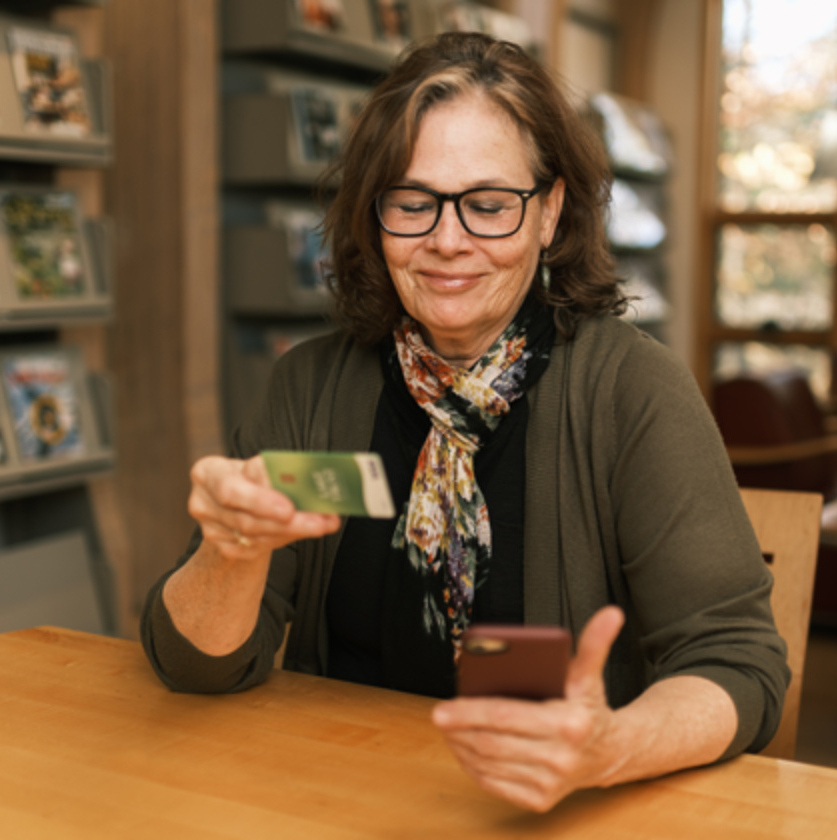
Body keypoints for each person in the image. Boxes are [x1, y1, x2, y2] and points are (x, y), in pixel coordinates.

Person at [141, 32, 788, 813]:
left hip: (553, 815)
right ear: (373, 217)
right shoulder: (310, 387)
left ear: (549, 213)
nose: (447, 242)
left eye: (488, 206)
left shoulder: (631, 391)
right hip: (332, 801)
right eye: (413, 203)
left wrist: (610, 748)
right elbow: (197, 667)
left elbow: (738, 663)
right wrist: (229, 550)